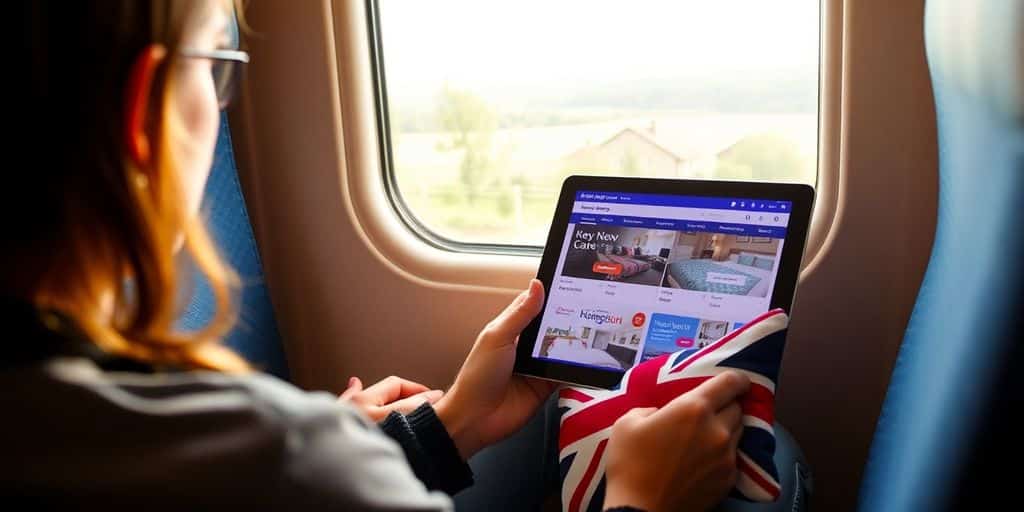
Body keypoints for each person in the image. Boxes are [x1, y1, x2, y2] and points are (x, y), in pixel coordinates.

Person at [2, 1, 750, 510]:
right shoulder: (287, 459)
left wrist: (452, 423)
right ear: (147, 112)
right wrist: (641, 504)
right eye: (216, 68)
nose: (222, 102)